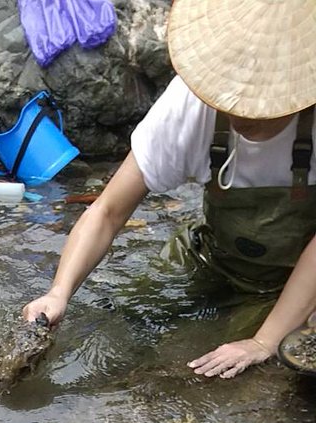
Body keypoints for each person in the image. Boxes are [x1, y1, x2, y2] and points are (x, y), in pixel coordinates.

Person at [22, 0, 316, 379]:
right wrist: (59, 292)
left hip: (299, 275)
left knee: (229, 374)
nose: (244, 113)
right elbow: (108, 211)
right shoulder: (190, 103)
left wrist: (264, 341)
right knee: (115, 323)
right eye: (232, 100)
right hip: (216, 256)